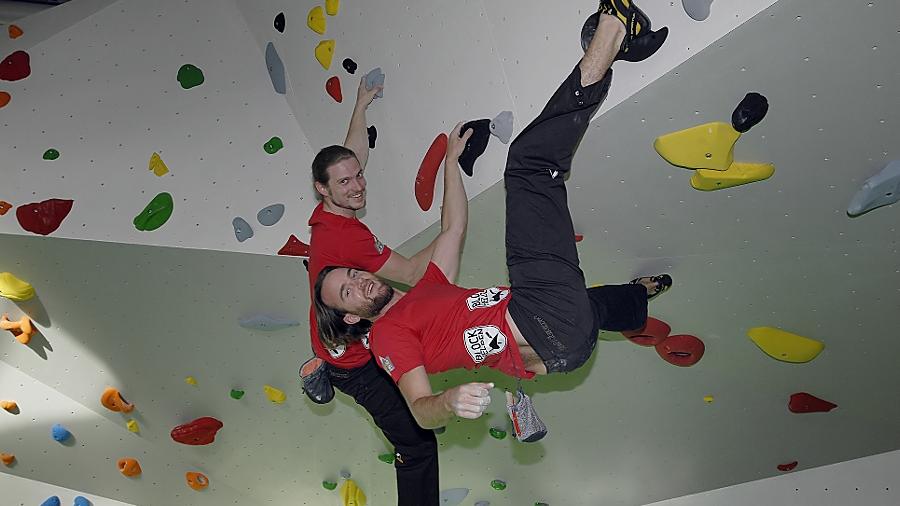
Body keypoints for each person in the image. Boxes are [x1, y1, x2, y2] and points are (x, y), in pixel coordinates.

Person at [313, 2, 670, 434]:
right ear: (351, 317)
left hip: (565, 344)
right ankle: (614, 26)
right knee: (528, 165)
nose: (360, 279)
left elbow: (454, 229)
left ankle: (640, 296)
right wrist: (447, 401)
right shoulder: (388, 336)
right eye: (347, 292)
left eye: (352, 272)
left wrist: (450, 163)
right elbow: (421, 408)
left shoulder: (428, 289)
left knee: (595, 304)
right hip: (544, 319)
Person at [301, 76, 469, 505]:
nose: (357, 185)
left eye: (357, 177)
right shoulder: (348, 239)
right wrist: (447, 236)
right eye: (345, 183)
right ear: (323, 189)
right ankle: (323, 370)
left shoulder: (328, 209)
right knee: (417, 445)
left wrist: (360, 105)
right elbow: (413, 273)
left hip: (343, 333)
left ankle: (321, 363)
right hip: (355, 364)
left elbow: (350, 156)